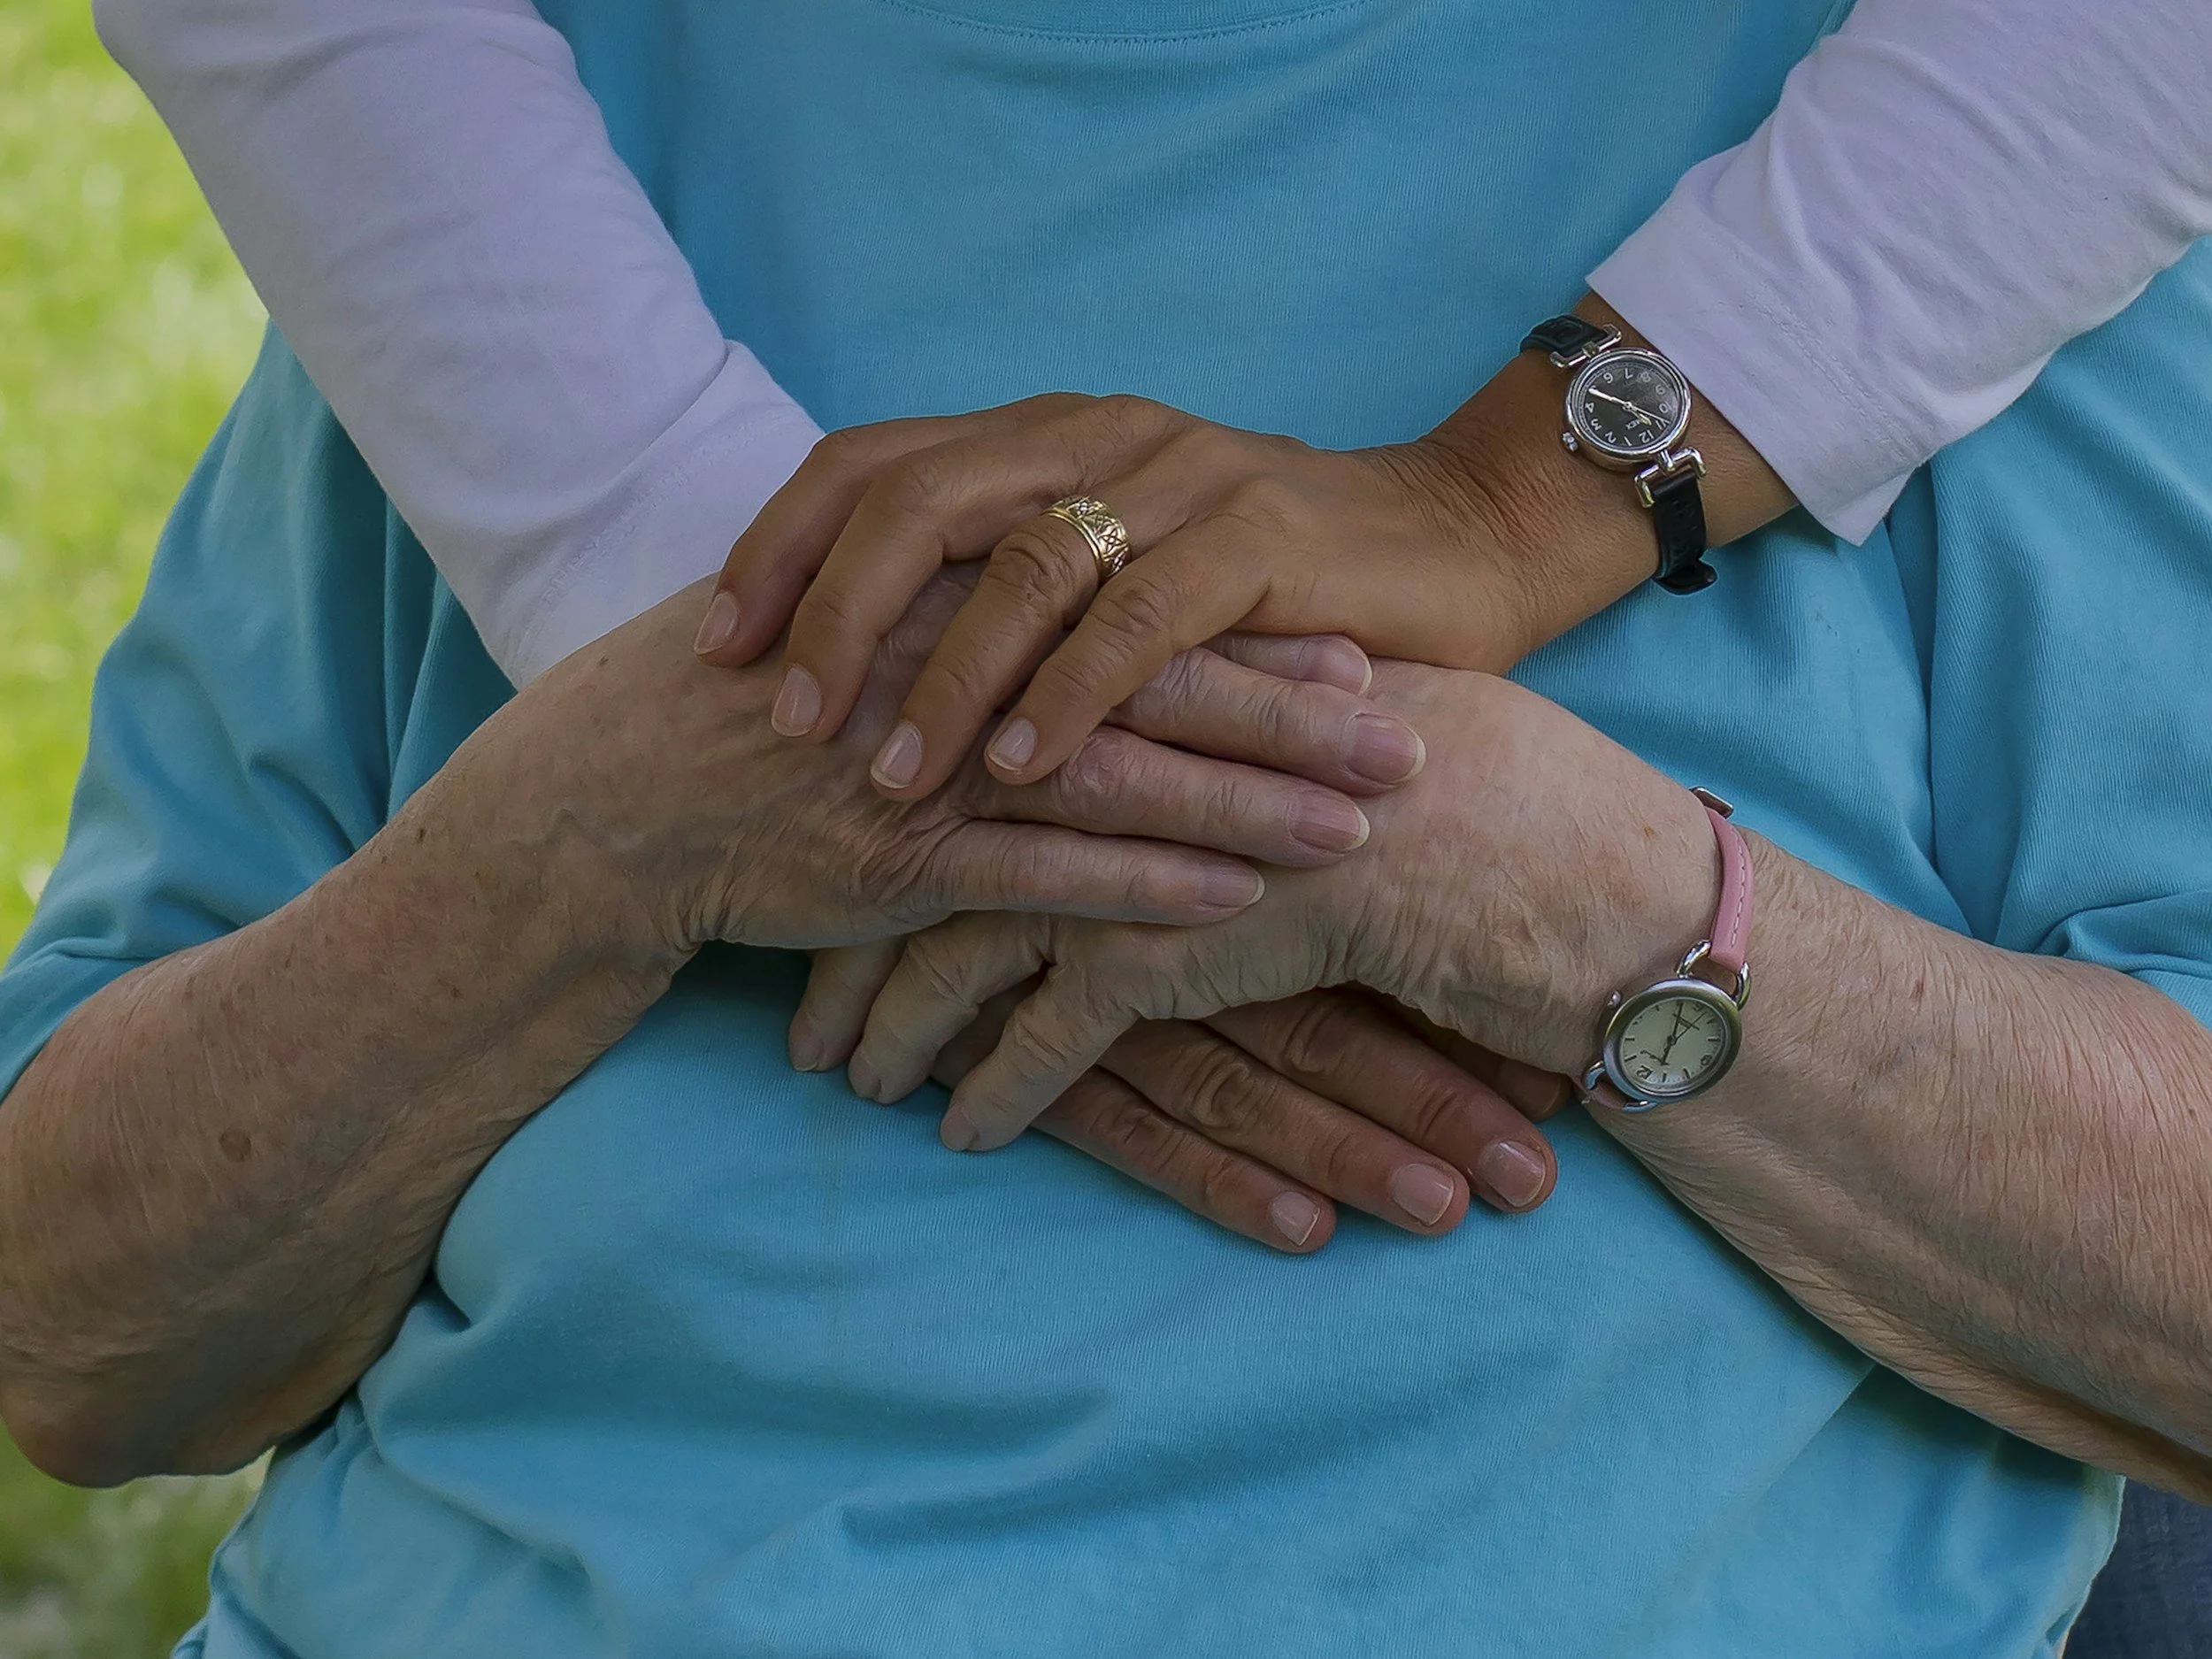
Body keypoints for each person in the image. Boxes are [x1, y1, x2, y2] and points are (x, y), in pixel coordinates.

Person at [4, 4, 2210, 1656]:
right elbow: (74, 1328)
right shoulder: (509, 211)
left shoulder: (1939, 198)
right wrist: (584, 843)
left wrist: (1560, 893)